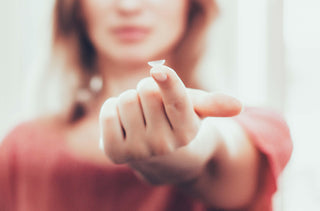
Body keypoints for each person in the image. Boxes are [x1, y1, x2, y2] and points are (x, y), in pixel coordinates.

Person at [0, 0, 293, 210]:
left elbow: (224, 152)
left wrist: (193, 145)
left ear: (191, 6)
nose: (128, 6)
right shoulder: (19, 149)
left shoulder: (260, 128)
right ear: (76, 8)